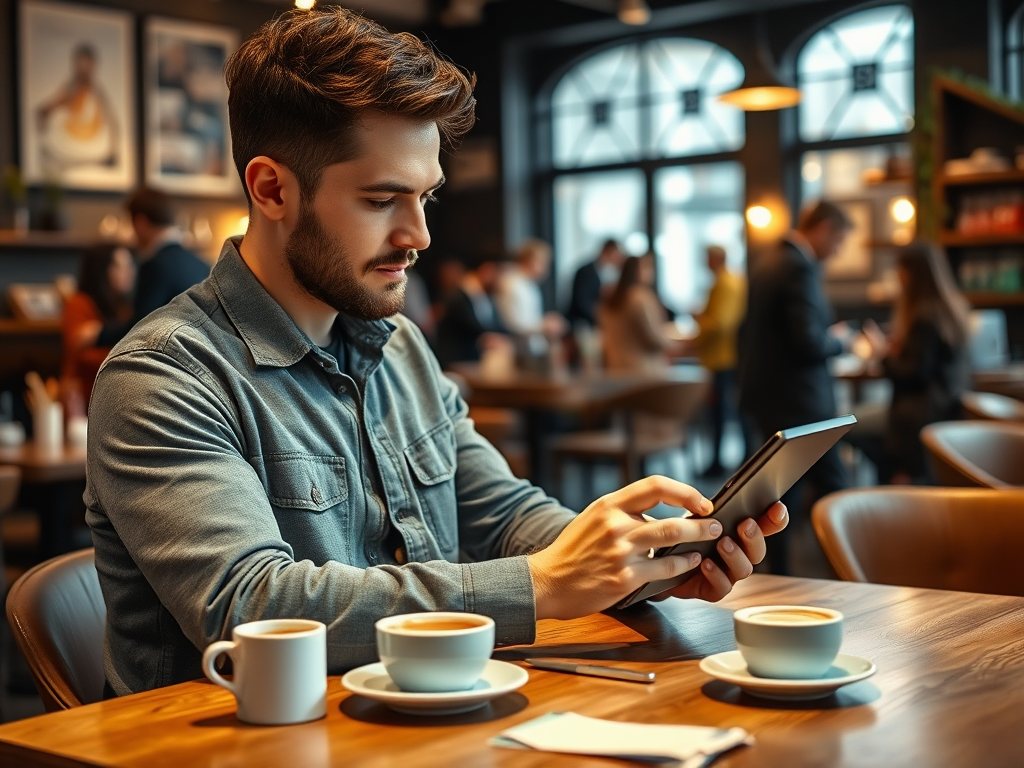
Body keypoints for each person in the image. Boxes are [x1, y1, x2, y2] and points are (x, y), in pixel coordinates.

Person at [85, 7, 786, 697]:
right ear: (272, 189)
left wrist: (640, 561)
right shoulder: (164, 376)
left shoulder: (401, 349)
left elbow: (504, 516)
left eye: (425, 197)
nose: (418, 234)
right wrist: (545, 584)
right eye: (383, 199)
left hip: (407, 724)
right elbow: (252, 607)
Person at [738, 200, 852, 575]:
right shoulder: (797, 267)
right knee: (827, 485)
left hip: (771, 395)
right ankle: (855, 564)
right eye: (837, 240)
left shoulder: (768, 260)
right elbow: (807, 342)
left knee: (779, 493)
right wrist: (841, 342)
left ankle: (781, 574)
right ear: (822, 228)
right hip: (798, 400)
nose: (836, 251)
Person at [853, 243, 971, 483]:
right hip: (942, 406)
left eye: (900, 269)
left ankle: (896, 476)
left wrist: (881, 354)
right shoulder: (948, 310)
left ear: (912, 273)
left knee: (846, 425)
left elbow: (913, 374)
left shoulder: (923, 318)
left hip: (916, 417)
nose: (898, 276)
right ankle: (896, 477)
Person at [96, 188, 211, 347]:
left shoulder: (156, 265)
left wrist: (98, 335)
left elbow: (141, 329)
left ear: (140, 223)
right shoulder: (202, 265)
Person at [693, 245, 747, 477]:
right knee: (735, 410)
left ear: (715, 258)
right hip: (732, 355)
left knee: (720, 412)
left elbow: (721, 323)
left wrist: (699, 323)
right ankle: (744, 458)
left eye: (706, 257)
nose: (704, 261)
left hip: (722, 357)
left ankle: (717, 463)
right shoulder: (734, 280)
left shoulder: (725, 283)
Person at [62, 244, 136, 405]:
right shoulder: (79, 303)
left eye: (130, 265)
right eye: (120, 266)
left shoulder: (125, 308)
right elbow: (81, 355)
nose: (130, 272)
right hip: (86, 402)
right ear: (101, 270)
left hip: (117, 401)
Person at [599, 254, 676, 374]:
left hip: (615, 366)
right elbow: (652, 337)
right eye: (648, 268)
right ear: (638, 271)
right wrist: (674, 345)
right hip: (643, 369)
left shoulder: (611, 297)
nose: (651, 273)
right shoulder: (640, 298)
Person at [434, 252, 512, 368]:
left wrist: (508, 337)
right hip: (456, 363)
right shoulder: (458, 296)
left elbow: (497, 325)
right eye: (501, 274)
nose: (502, 281)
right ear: (487, 270)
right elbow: (472, 327)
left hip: (476, 362)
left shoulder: (486, 296)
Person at [494, 239, 566, 355]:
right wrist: (544, 325)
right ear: (528, 261)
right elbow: (512, 325)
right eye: (542, 262)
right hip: (516, 350)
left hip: (529, 348)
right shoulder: (511, 284)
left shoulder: (528, 284)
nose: (545, 268)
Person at [567, 239, 624, 329]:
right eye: (617, 254)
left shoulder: (608, 273)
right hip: (582, 325)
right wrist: (601, 315)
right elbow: (582, 301)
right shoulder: (585, 272)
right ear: (608, 251)